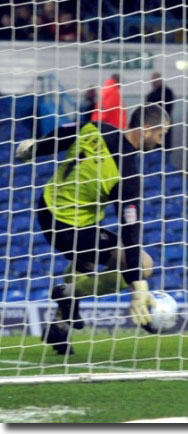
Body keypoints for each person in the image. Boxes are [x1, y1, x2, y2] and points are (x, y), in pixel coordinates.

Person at [16, 104, 171, 355]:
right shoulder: (127, 174)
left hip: (48, 207)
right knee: (144, 264)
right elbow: (131, 235)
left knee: (86, 261)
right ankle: (67, 294)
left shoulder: (97, 128)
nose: (161, 142)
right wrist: (138, 286)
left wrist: (35, 148)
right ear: (146, 129)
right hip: (71, 227)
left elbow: (63, 134)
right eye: (160, 134)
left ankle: (59, 328)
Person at [145, 72, 174, 148]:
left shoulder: (166, 92)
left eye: (154, 81)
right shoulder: (152, 93)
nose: (152, 83)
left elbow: (168, 108)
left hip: (162, 125)